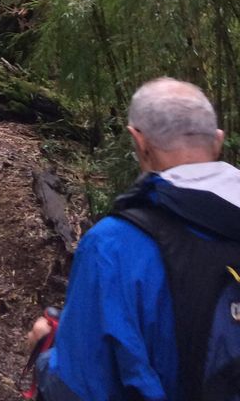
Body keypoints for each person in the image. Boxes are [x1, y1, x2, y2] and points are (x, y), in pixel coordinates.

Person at [28, 77, 240, 401]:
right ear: (218, 140)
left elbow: (77, 388)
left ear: (139, 141)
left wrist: (45, 354)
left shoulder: (113, 245)